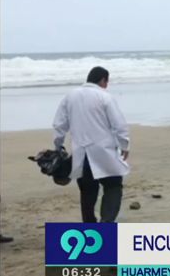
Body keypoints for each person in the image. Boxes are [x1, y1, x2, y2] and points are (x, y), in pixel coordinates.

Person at [53, 66, 129, 223]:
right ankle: (106, 222)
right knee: (113, 186)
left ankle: (90, 227)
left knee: (87, 192)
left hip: (80, 153)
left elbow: (59, 125)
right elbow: (119, 125)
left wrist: (58, 145)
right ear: (103, 80)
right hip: (104, 152)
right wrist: (125, 145)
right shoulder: (105, 97)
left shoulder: (70, 96)